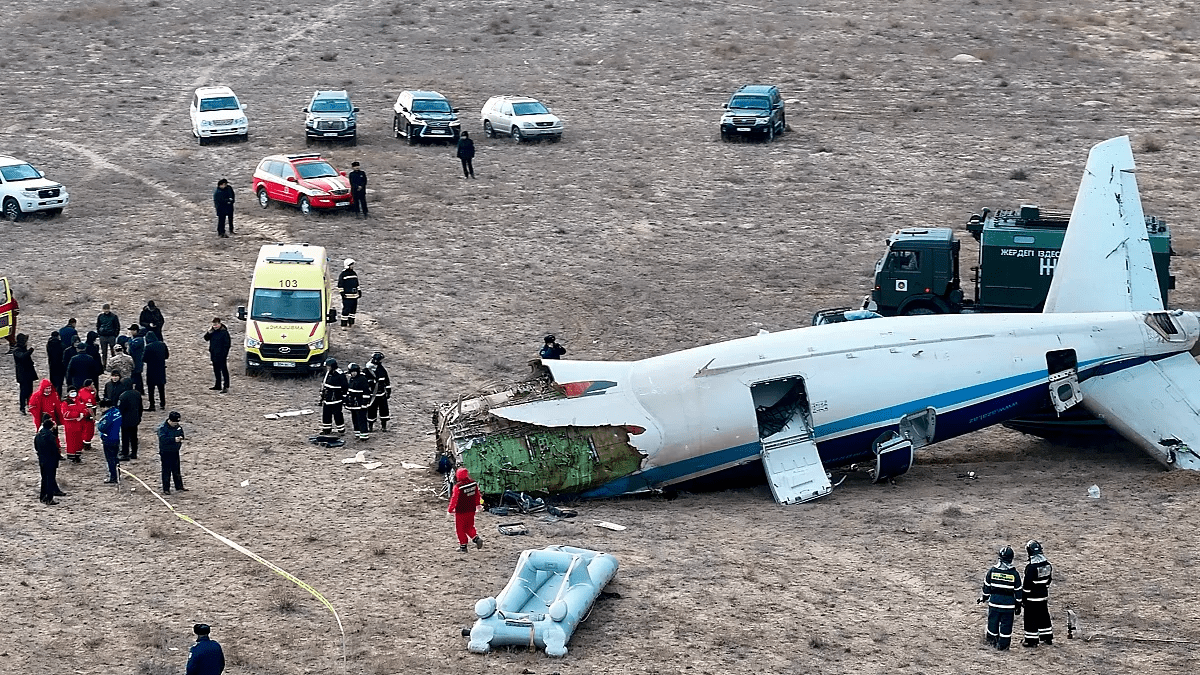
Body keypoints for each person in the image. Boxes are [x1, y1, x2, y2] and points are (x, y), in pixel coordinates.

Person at [980, 545, 1022, 650]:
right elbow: (1018, 592)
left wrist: (984, 597)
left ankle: (991, 642)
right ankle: (1003, 646)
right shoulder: (1014, 574)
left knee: (992, 623)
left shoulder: (992, 571)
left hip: (994, 604)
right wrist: (1018, 605)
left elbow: (986, 588)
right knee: (1006, 626)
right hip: (1008, 606)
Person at [1021, 540, 1054, 647]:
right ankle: (1047, 637)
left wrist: (1023, 598)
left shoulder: (1031, 568)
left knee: (1030, 618)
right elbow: (1049, 580)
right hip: (1043, 597)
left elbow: (1027, 585)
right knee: (1044, 616)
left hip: (1032, 599)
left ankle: (1031, 640)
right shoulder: (1048, 565)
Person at [447, 467, 484, 553]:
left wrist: (450, 510)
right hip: (471, 509)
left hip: (461, 511)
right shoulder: (474, 484)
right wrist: (478, 505)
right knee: (469, 526)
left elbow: (454, 499)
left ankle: (463, 546)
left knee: (460, 529)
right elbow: (477, 495)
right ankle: (476, 538)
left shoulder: (458, 487)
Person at [35, 414, 64, 505]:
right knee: (50, 479)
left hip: (42, 460)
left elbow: (36, 447)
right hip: (50, 461)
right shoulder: (50, 437)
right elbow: (54, 450)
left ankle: (43, 497)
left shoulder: (38, 435)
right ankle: (49, 499)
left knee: (44, 479)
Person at [157, 410, 186, 494]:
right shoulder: (163, 428)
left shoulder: (177, 426)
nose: (176, 424)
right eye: (175, 422)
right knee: (166, 470)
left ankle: (179, 486)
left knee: (176, 469)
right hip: (166, 452)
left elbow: (181, 433)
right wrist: (173, 439)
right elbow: (162, 439)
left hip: (175, 451)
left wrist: (181, 437)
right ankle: (166, 488)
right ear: (170, 420)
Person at [319, 358, 347, 435]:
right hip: (327, 397)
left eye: (328, 366)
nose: (327, 368)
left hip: (336, 398)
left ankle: (341, 429)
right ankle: (326, 429)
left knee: (337, 414)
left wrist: (344, 398)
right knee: (326, 414)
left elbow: (345, 387)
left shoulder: (340, 374)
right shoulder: (328, 373)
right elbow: (324, 384)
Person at [344, 363, 371, 441]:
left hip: (360, 403)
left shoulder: (362, 379)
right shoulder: (352, 379)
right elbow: (349, 390)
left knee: (362, 419)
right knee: (354, 418)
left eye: (355, 371)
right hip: (353, 403)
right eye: (352, 372)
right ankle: (357, 433)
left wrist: (364, 403)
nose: (353, 373)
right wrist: (347, 400)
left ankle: (364, 434)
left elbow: (366, 393)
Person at [60, 388, 88, 463]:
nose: (73, 393)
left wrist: (83, 414)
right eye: (71, 392)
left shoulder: (80, 400)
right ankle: (72, 456)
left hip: (79, 424)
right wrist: (78, 414)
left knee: (79, 440)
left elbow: (84, 409)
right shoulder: (65, 402)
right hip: (70, 425)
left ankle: (78, 455)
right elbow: (65, 414)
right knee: (71, 441)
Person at [143, 331, 169, 412]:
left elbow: (144, 359)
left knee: (151, 389)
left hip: (151, 370)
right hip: (161, 369)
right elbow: (167, 356)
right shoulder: (162, 344)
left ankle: (152, 405)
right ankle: (162, 403)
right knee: (161, 388)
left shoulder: (148, 347)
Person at [203, 317, 231, 392]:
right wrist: (208, 332)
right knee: (216, 370)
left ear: (219, 324)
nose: (215, 326)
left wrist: (224, 354)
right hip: (214, 353)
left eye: (216, 325)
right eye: (213, 325)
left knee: (224, 370)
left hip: (222, 355)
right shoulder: (212, 331)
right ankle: (217, 385)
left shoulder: (224, 332)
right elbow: (206, 338)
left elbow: (227, 345)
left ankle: (226, 386)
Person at [117, 379, 143, 460]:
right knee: (134, 437)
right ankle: (134, 453)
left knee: (125, 437)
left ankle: (125, 452)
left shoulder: (123, 396)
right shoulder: (137, 394)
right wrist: (139, 417)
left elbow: (121, 409)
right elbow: (140, 407)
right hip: (135, 419)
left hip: (125, 420)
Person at [366, 351, 391, 432]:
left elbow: (386, 381)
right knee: (371, 411)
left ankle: (384, 426)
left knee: (384, 410)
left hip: (381, 394)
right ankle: (370, 426)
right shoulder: (367, 370)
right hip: (372, 394)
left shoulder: (382, 369)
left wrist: (388, 391)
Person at [12, 333, 37, 414]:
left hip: (28, 373)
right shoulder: (17, 350)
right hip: (22, 374)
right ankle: (22, 407)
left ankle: (30, 405)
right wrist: (30, 351)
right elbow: (22, 357)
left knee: (30, 390)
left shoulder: (22, 348)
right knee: (23, 391)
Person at [97, 404, 122, 483]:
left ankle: (113, 477)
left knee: (110, 459)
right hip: (116, 438)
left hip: (108, 439)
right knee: (116, 458)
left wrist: (98, 424)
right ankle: (118, 474)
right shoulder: (117, 412)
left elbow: (102, 427)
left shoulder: (108, 416)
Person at [96, 304, 121, 368]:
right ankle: (104, 365)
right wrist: (99, 334)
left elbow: (117, 326)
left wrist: (115, 335)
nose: (106, 310)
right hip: (103, 336)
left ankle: (113, 365)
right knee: (104, 352)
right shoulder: (100, 316)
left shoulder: (114, 316)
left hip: (111, 336)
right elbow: (98, 325)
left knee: (113, 352)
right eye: (105, 309)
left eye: (107, 309)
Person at [337, 259, 360, 328]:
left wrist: (359, 290)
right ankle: (343, 324)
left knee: (353, 310)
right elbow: (340, 285)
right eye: (351, 265)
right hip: (347, 296)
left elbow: (357, 283)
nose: (352, 266)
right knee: (346, 310)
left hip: (354, 296)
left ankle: (351, 322)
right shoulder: (343, 274)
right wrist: (342, 293)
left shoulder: (354, 273)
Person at [124, 324, 146, 393]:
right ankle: (139, 389)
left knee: (137, 375)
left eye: (132, 330)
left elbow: (133, 345)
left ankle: (139, 389)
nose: (131, 332)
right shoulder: (135, 338)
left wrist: (129, 339)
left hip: (138, 360)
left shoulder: (140, 339)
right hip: (135, 359)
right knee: (136, 375)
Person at [78, 379, 99, 451]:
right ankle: (87, 445)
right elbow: (90, 408)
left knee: (84, 429)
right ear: (89, 386)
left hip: (83, 413)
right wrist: (94, 417)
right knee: (89, 430)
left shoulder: (82, 391)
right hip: (88, 414)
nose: (93, 386)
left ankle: (84, 443)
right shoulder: (88, 396)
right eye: (92, 384)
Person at [46, 331, 66, 396]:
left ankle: (53, 396)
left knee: (53, 382)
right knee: (59, 383)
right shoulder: (61, 344)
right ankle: (58, 396)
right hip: (60, 365)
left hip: (52, 365)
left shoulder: (49, 344)